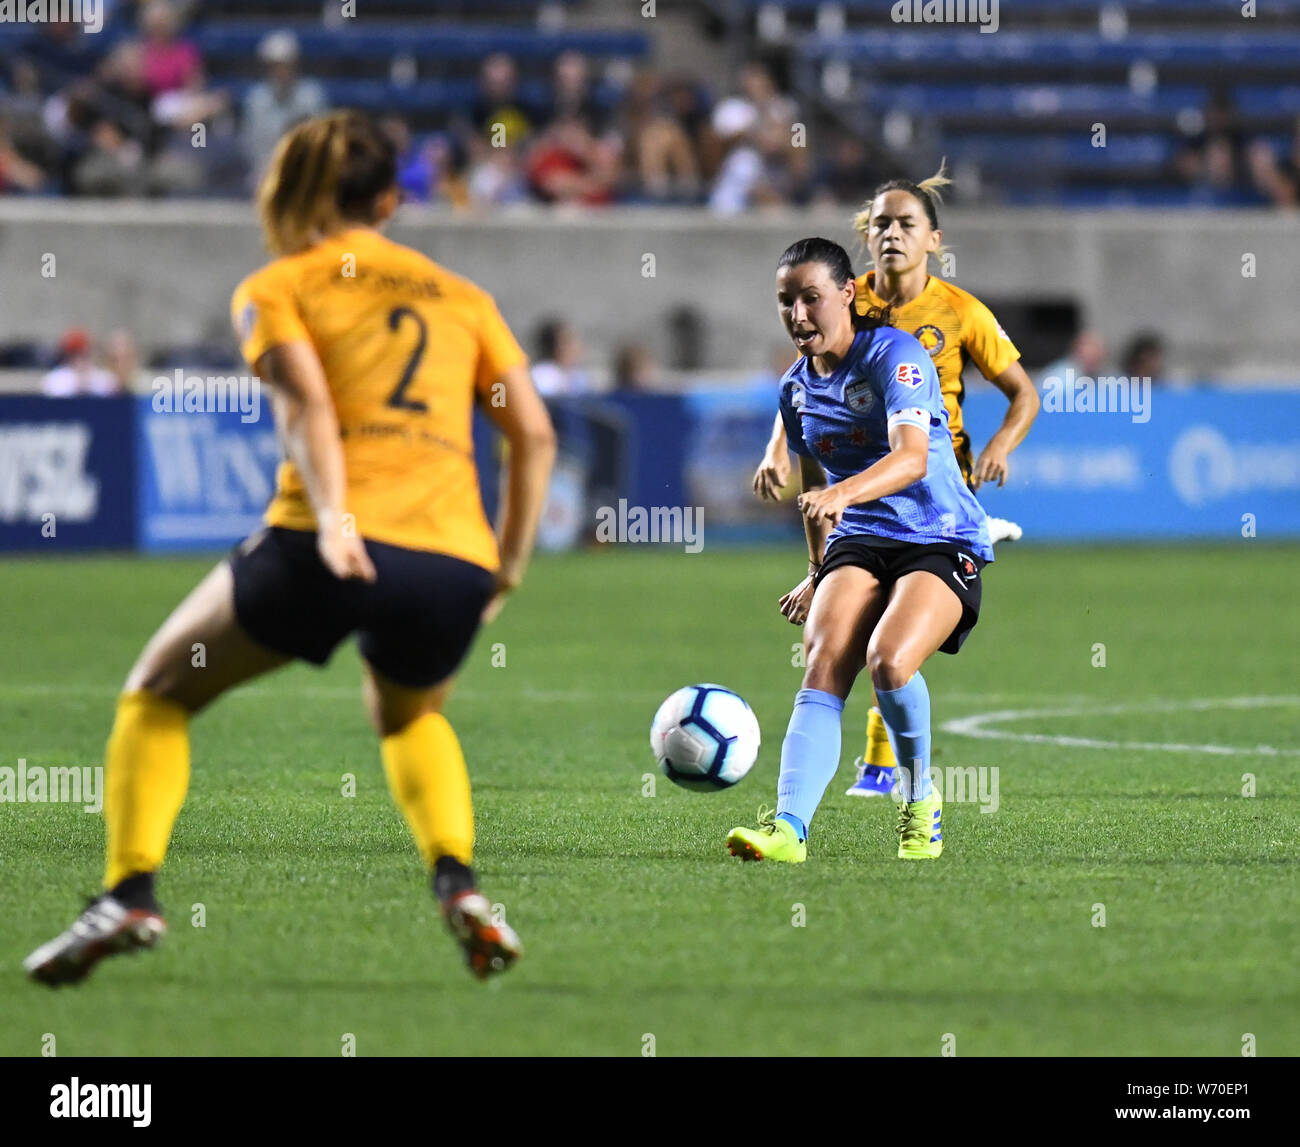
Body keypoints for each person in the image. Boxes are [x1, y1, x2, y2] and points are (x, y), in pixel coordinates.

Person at [23, 111, 556, 986]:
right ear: (390, 198)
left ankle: (129, 891)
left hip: (326, 542)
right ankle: (458, 884)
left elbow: (307, 405)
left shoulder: (278, 284)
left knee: (156, 693)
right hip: (448, 563)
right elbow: (532, 436)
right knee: (411, 714)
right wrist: (505, 563)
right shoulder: (463, 298)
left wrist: (340, 517)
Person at [752, 167, 1038, 799]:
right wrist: (813, 548)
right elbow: (806, 402)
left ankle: (903, 781)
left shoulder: (953, 315)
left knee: (892, 651)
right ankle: (791, 821)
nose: (891, 233)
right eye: (880, 222)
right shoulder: (841, 309)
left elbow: (1019, 395)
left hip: (931, 483)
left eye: (906, 223)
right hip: (861, 507)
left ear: (933, 239)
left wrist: (998, 445)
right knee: (833, 654)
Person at [728, 238, 992, 864]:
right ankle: (789, 830)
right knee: (822, 664)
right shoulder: (794, 389)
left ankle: (918, 800)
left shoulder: (894, 356)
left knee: (890, 663)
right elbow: (814, 486)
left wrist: (841, 494)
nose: (798, 315)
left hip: (939, 535)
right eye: (786, 301)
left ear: (847, 294)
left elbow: (911, 458)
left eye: (811, 298)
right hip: (859, 540)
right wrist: (817, 572)